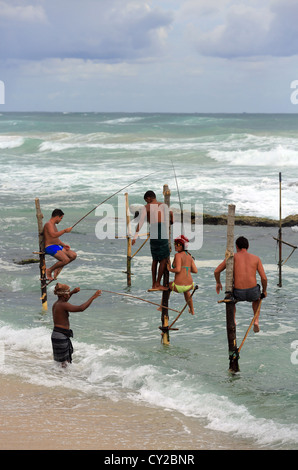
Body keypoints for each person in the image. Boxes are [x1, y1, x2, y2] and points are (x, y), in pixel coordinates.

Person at [214, 236, 267, 332]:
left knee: (232, 301)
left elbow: (216, 271)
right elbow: (264, 278)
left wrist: (218, 283)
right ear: (248, 247)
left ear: (236, 247)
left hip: (238, 292)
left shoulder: (232, 257)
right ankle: (256, 321)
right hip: (252, 292)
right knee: (257, 299)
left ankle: (233, 320)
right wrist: (264, 291)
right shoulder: (256, 258)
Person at [51, 283, 101, 367]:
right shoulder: (64, 305)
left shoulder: (57, 304)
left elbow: (65, 298)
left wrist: (73, 292)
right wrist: (93, 297)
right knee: (64, 364)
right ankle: (63, 378)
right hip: (61, 336)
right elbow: (81, 308)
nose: (69, 295)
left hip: (56, 334)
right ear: (64, 296)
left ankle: (58, 377)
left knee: (61, 363)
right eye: (68, 293)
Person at [132, 191, 173, 290]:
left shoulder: (146, 208)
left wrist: (135, 235)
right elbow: (171, 217)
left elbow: (141, 222)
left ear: (149, 198)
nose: (146, 203)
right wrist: (172, 218)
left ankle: (153, 283)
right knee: (164, 259)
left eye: (146, 200)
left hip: (153, 230)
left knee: (155, 259)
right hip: (161, 230)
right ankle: (158, 283)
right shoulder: (163, 205)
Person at [167, 235, 198, 315]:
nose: (175, 246)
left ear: (183, 246)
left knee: (167, 286)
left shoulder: (178, 255)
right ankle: (192, 309)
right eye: (175, 244)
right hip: (190, 285)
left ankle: (162, 307)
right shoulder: (189, 256)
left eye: (178, 244)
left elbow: (177, 269)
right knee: (186, 291)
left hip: (178, 286)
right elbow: (195, 271)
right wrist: (186, 268)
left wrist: (169, 269)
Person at [43, 208, 77, 281]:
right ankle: (49, 270)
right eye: (61, 218)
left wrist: (63, 245)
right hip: (50, 247)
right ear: (57, 216)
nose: (61, 220)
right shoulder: (48, 224)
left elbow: (56, 239)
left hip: (56, 246)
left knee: (73, 255)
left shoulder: (54, 225)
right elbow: (53, 235)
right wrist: (64, 230)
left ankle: (58, 267)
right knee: (65, 260)